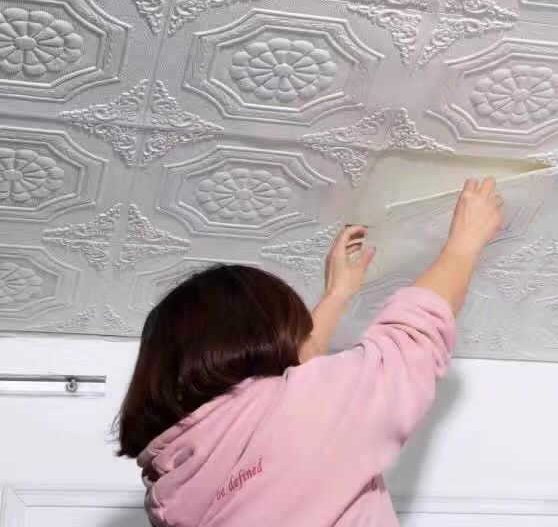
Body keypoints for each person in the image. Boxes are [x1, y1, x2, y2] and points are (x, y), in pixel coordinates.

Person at [116, 177, 503, 526]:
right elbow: (411, 336)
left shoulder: (175, 488)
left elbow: (289, 396)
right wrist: (464, 242)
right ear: (261, 341)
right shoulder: (294, 416)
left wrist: (336, 295)